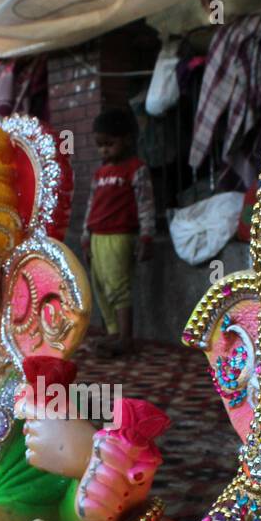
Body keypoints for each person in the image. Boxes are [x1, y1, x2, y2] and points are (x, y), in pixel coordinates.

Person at [82, 107, 155, 356]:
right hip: (97, 237)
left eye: (109, 144)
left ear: (126, 140)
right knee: (101, 287)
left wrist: (146, 236)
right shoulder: (99, 173)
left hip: (120, 236)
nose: (104, 150)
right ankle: (113, 333)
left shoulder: (136, 168)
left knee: (118, 287)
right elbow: (91, 205)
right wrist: (85, 235)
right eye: (100, 145)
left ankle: (125, 338)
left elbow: (145, 203)